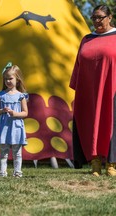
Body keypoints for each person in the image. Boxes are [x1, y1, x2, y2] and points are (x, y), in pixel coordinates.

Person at [70, 4, 116, 176]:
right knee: (90, 124)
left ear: (110, 17)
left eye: (100, 17)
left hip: (112, 90)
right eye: (94, 18)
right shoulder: (87, 38)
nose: (96, 21)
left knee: (111, 124)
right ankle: (95, 162)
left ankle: (111, 164)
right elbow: (78, 65)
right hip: (89, 92)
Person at [0, 63, 28, 177]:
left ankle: (18, 172)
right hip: (4, 127)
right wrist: (2, 110)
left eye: (10, 78)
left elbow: (25, 113)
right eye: (6, 79)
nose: (8, 81)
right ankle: (2, 172)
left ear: (17, 80)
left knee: (17, 153)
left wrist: (15, 113)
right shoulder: (0, 95)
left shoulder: (21, 96)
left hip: (16, 128)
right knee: (3, 152)